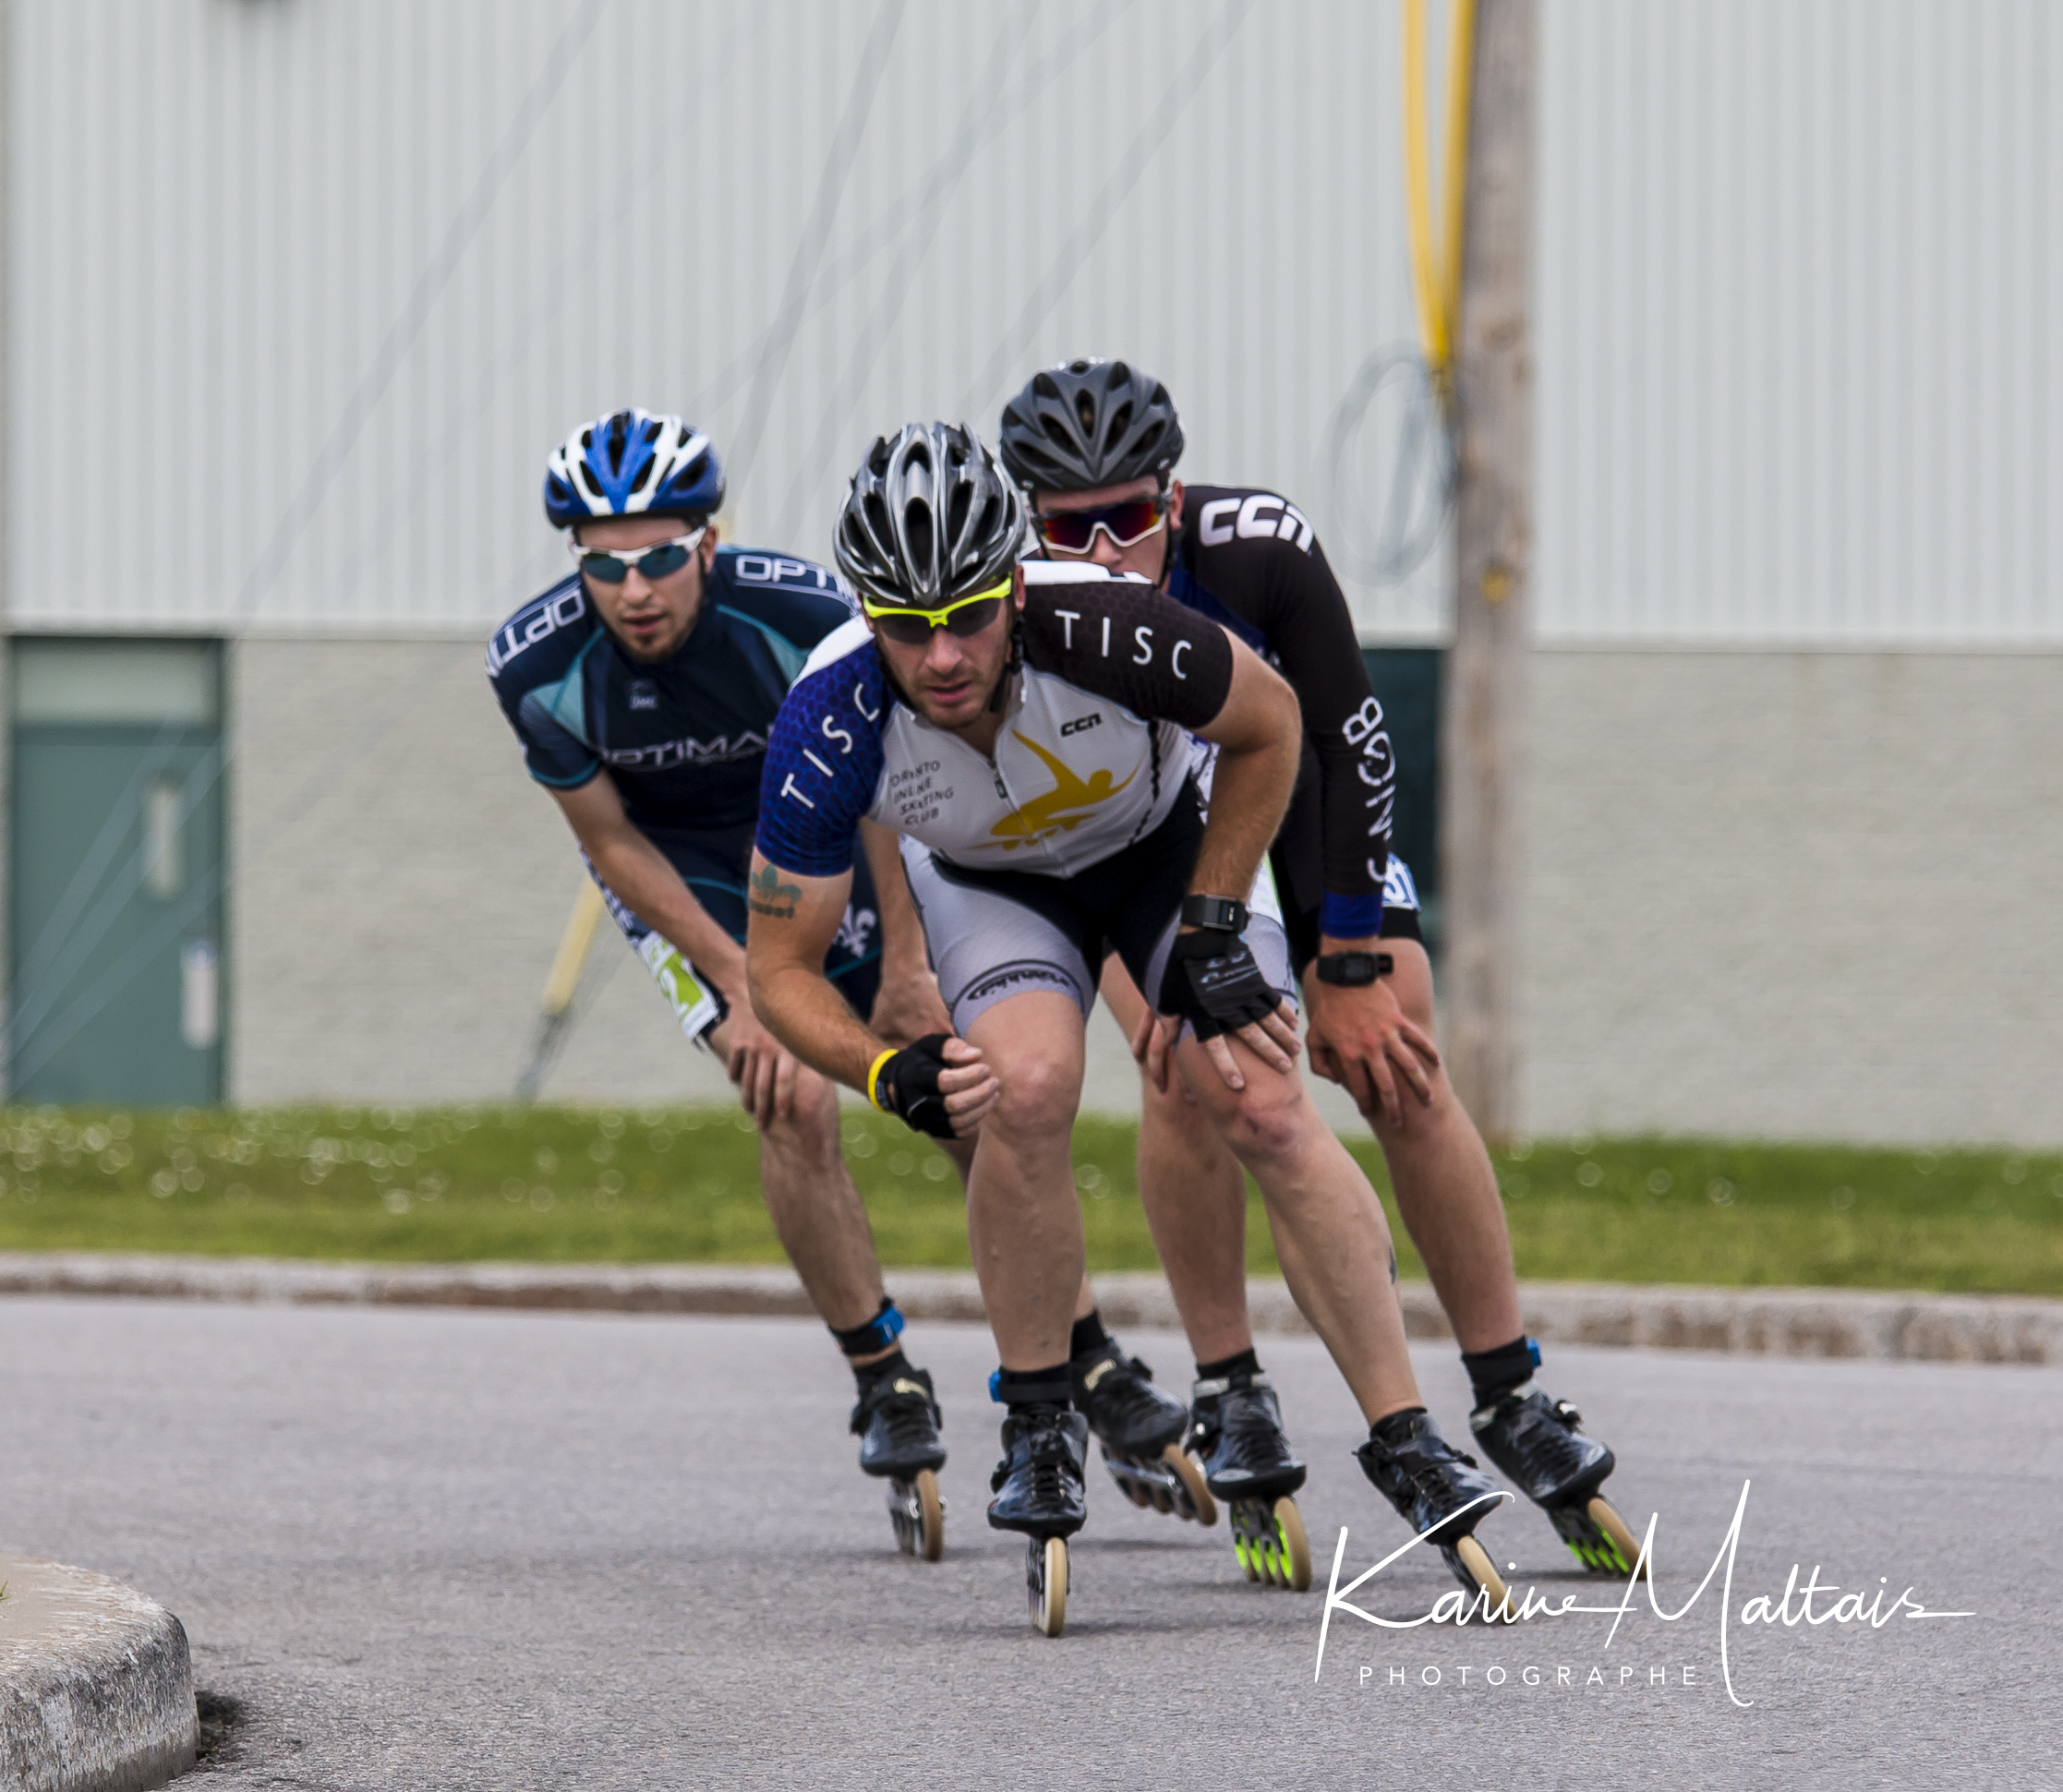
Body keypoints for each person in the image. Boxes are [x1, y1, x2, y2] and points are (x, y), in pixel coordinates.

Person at [744, 420, 1509, 1625]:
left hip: (1161, 853)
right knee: (1025, 1092)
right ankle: (1042, 1415)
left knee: (1260, 1099)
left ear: (1010, 585)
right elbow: (778, 970)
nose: (941, 656)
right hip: (998, 891)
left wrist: (1212, 922)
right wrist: (886, 1069)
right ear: (865, 613)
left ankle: (1403, 1428)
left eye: (968, 617)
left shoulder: (1102, 620)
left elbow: (1270, 727)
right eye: (906, 625)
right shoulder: (828, 718)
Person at [996, 356, 1636, 1579]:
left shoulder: (1256, 548)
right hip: (1148, 839)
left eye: (1129, 519)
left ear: (1172, 501)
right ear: (1034, 521)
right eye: (1072, 528)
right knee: (1190, 1065)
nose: (1105, 549)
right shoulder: (1020, 603)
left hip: (1294, 808)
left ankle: (1507, 1390)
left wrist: (1345, 956)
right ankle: (1231, 1382)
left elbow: (1350, 738)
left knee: (1399, 1052)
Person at [488, 407, 954, 1554]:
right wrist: (744, 981)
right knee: (790, 1090)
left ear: (708, 542)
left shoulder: (801, 616)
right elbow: (615, 846)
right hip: (692, 878)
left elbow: (888, 792)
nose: (634, 589)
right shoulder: (535, 668)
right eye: (605, 565)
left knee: (962, 1087)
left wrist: (904, 963)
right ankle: (883, 1373)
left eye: (658, 557)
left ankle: (1073, 1348)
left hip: (834, 834)